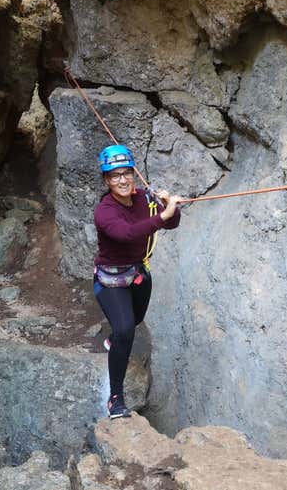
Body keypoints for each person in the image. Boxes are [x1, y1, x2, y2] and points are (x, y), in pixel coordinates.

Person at [93, 144, 182, 418]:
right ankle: (116, 400)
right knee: (126, 331)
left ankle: (115, 338)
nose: (122, 180)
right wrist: (163, 215)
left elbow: (172, 223)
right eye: (115, 175)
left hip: (139, 274)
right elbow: (127, 234)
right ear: (107, 180)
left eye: (126, 173)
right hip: (110, 280)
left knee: (136, 319)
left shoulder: (144, 199)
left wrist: (169, 206)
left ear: (133, 174)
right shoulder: (104, 212)